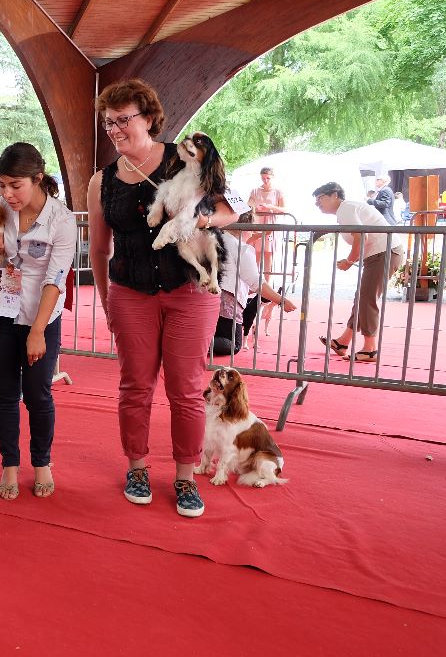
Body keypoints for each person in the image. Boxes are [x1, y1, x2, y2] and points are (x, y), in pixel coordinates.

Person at [86, 78, 238, 518]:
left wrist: (200, 219)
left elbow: (229, 211)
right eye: (108, 122)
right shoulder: (103, 181)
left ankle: (186, 476)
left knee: (187, 389)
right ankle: (137, 467)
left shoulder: (185, 158)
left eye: (123, 119)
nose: (114, 129)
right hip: (130, 292)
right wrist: (106, 300)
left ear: (149, 119)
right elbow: (99, 248)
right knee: (134, 386)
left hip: (189, 291)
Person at [0, 143, 75, 500]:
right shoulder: (1, 210)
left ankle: (41, 462)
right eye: (2, 185)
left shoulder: (62, 220)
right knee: (5, 393)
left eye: (15, 185)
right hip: (2, 312)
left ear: (38, 179)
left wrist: (37, 331)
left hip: (42, 317)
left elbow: (55, 278)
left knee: (38, 393)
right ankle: (9, 463)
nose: (7, 194)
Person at [314, 182, 405, 363]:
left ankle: (370, 349)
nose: (318, 203)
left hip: (383, 253)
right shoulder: (346, 209)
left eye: (320, 198)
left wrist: (349, 261)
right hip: (382, 253)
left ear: (335, 195)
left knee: (367, 299)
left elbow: (362, 235)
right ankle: (342, 342)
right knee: (362, 298)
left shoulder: (346, 209)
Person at [213, 213, 297, 356]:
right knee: (234, 344)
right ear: (247, 227)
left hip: (210, 297)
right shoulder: (242, 249)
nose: (254, 231)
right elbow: (256, 282)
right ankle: (192, 342)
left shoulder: (218, 239)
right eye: (253, 227)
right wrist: (281, 300)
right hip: (227, 300)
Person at [246, 166, 286, 280]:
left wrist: (270, 207)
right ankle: (254, 281)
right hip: (258, 222)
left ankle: (267, 283)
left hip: (271, 222)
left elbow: (284, 209)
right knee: (256, 253)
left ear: (272, 177)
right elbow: (248, 206)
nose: (265, 180)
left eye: (268, 178)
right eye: (263, 178)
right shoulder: (255, 191)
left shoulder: (278, 192)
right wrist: (255, 208)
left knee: (268, 253)